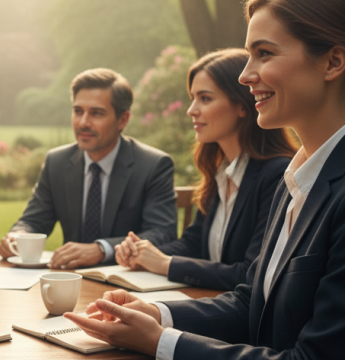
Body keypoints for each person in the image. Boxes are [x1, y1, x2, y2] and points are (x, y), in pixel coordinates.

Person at [67, 0, 345, 360]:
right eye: (249, 55)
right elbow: (252, 301)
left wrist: (162, 342)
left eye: (264, 54)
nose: (245, 75)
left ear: (333, 62)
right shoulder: (304, 175)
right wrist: (156, 314)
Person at [0, 68, 178, 360]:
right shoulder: (57, 161)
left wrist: (101, 248)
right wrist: (17, 235)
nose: (83, 121)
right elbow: (34, 218)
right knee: (35, 347)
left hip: (126, 296)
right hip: (68, 293)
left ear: (123, 118)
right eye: (78, 111)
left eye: (96, 113)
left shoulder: (153, 164)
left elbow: (162, 233)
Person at [115, 49, 296, 291]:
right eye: (192, 98)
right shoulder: (220, 171)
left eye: (205, 98)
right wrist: (141, 252)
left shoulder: (278, 175)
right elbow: (194, 243)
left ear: (242, 105)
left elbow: (251, 273)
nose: (191, 110)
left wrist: (165, 263)